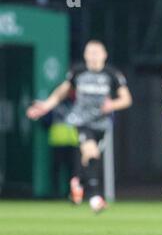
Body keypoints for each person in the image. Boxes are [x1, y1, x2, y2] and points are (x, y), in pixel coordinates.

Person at [26, 40, 132, 212]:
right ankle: (96, 197)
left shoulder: (112, 74)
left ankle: (78, 181)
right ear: (85, 55)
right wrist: (45, 106)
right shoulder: (78, 72)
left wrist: (112, 105)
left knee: (89, 158)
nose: (93, 55)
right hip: (82, 122)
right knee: (91, 153)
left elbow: (126, 99)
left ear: (104, 55)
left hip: (101, 124)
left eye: (97, 52)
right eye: (90, 52)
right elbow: (62, 91)